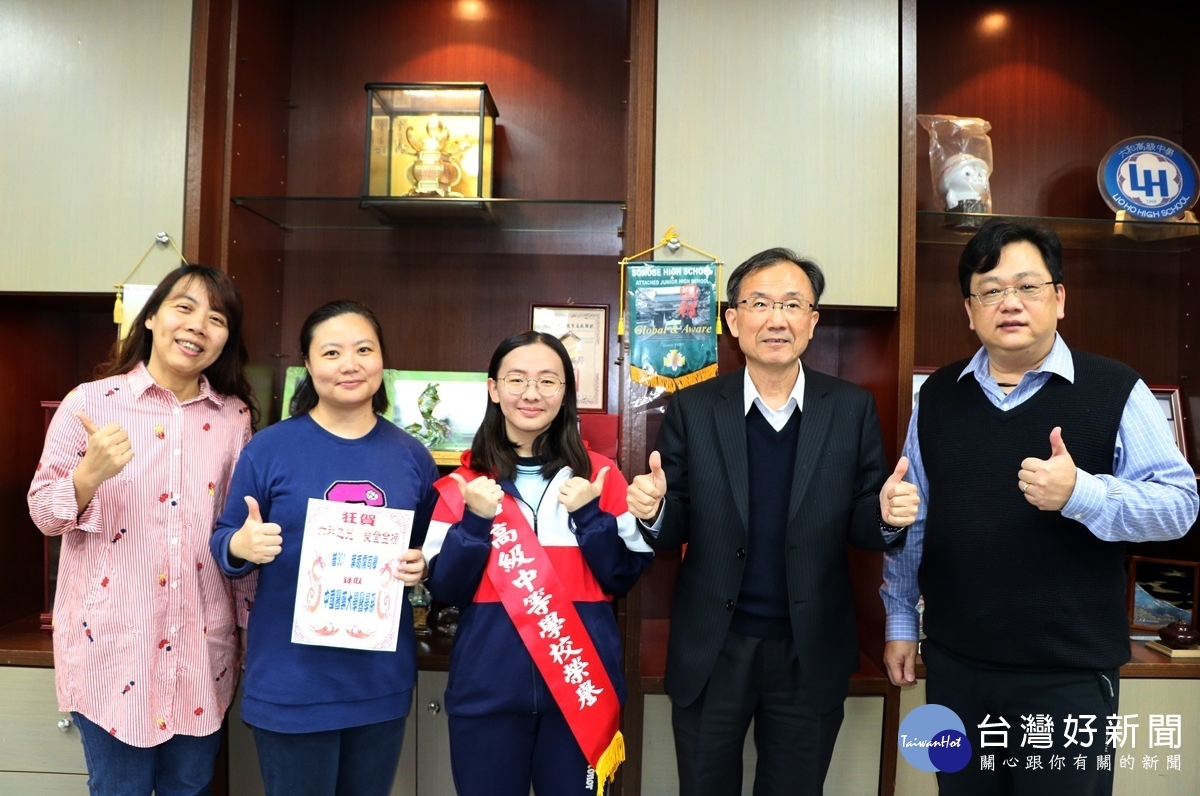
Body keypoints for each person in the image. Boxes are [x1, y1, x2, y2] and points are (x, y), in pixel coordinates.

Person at [881, 218, 1199, 795]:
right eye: (991, 290)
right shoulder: (938, 396)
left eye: (1028, 287)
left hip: (1067, 674)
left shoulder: (1117, 389)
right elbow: (916, 516)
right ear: (969, 310)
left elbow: (1179, 506)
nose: (1010, 303)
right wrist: (902, 621)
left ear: (1059, 299)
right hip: (956, 667)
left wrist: (1082, 493)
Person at [625, 247, 919, 796]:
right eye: (759, 303)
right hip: (714, 646)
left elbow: (863, 522)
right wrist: (655, 510)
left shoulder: (850, 407)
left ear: (813, 321)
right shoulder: (694, 407)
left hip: (811, 648)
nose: (776, 318)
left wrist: (885, 518)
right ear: (733, 321)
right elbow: (674, 527)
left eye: (792, 304)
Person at [28, 263, 259, 796]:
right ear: (151, 317)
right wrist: (89, 474)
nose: (199, 325)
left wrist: (247, 627)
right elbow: (43, 513)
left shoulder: (235, 418)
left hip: (202, 651)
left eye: (218, 317)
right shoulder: (89, 403)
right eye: (185, 307)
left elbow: (238, 532)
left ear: (227, 339)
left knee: (192, 786)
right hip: (111, 652)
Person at [209, 300, 437, 796]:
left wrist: (420, 566)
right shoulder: (268, 448)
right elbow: (224, 543)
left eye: (363, 349)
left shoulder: (412, 455)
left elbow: (420, 547)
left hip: (379, 681)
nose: (349, 364)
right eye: (332, 352)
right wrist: (242, 545)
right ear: (309, 366)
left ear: (382, 361)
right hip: (292, 680)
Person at [423, 331, 654, 796]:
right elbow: (446, 588)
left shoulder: (601, 476)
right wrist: (473, 523)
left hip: (580, 693)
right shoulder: (462, 486)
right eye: (517, 380)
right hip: (486, 698)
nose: (532, 394)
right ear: (493, 389)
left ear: (566, 392)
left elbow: (623, 577)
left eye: (548, 381)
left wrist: (590, 516)